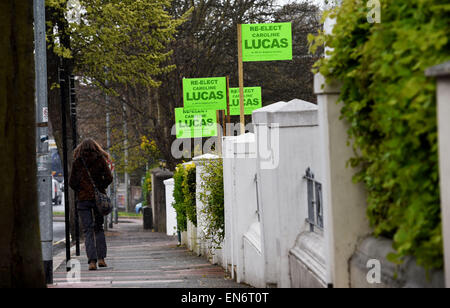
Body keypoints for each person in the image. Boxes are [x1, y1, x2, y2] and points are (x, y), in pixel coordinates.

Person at [69, 139, 113, 271]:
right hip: (98, 199)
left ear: (81, 148)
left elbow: (72, 182)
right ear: (95, 147)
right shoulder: (99, 159)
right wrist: (100, 188)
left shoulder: (78, 162)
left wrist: (80, 190)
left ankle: (91, 262)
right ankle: (101, 259)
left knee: (87, 230)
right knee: (98, 228)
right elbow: (109, 178)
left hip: (83, 200)